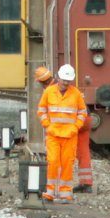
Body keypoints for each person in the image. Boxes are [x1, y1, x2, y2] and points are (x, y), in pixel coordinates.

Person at [37, 63, 87, 203]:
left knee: (67, 164)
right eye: (64, 80)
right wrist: (47, 125)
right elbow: (41, 110)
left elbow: (82, 112)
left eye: (68, 80)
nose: (66, 83)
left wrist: (76, 127)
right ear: (58, 78)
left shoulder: (75, 93)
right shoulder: (49, 92)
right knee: (52, 162)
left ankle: (65, 193)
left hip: (69, 135)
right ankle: (50, 192)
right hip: (53, 134)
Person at [74, 111, 94, 193]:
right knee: (83, 153)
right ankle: (86, 184)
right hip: (85, 118)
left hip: (75, 119)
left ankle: (61, 185)